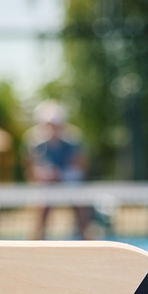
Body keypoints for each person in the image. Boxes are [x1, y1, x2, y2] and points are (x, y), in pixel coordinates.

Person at [25, 101, 91, 240]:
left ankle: (86, 240)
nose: (52, 128)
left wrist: (60, 175)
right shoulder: (36, 145)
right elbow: (32, 171)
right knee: (41, 210)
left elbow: (79, 168)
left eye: (55, 125)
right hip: (47, 188)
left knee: (81, 209)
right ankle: (35, 245)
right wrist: (43, 176)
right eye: (49, 125)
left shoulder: (73, 142)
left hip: (69, 185)